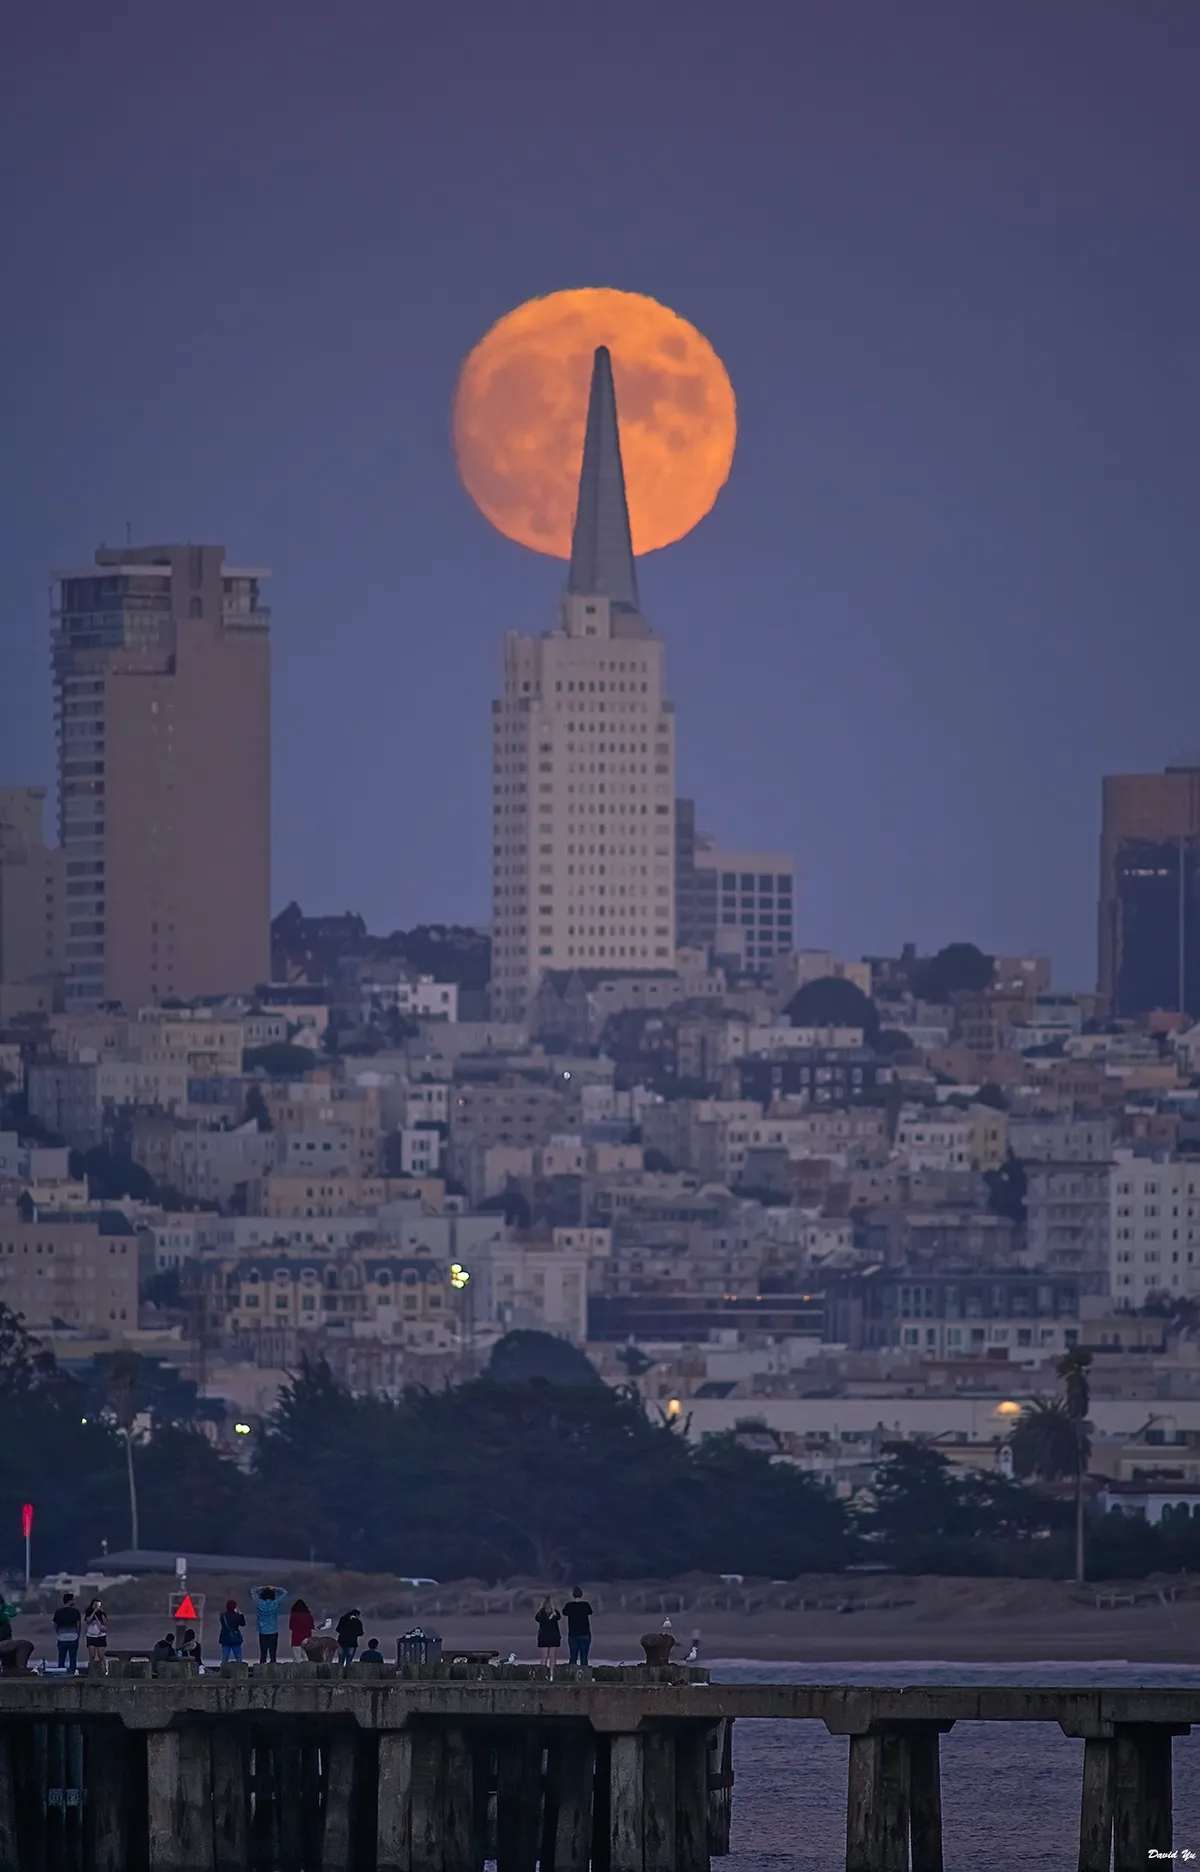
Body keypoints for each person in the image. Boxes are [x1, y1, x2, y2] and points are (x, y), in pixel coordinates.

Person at [250, 1584, 288, 1664]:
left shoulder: (259, 1603)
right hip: (273, 1630)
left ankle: (261, 1671)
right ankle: (273, 1671)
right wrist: (275, 1588)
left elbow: (253, 1590)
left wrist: (262, 1587)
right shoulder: (275, 1603)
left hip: (262, 1631)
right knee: (273, 1654)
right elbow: (285, 1592)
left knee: (263, 1653)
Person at [563, 1586, 594, 1668]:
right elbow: (590, 1612)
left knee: (573, 1656)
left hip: (573, 1634)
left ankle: (571, 1676)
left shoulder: (569, 1606)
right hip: (585, 1633)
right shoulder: (586, 1605)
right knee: (584, 1657)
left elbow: (564, 1612)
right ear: (581, 1595)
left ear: (573, 1595)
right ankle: (585, 1675)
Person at [53, 1592, 82, 1674]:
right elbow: (78, 1625)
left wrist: (59, 1633)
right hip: (73, 1637)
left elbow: (55, 1625)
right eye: (73, 1600)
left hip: (61, 1638)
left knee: (61, 1658)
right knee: (73, 1658)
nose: (74, 1601)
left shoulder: (58, 1612)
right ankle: (72, 1674)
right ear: (69, 1601)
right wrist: (78, 1635)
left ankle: (60, 1674)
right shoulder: (76, 1612)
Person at [535, 1596, 561, 1673]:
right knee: (553, 1657)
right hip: (554, 1636)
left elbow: (537, 1619)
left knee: (544, 1656)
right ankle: (552, 1674)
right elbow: (559, 1617)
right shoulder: (555, 1613)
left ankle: (542, 1674)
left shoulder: (540, 1613)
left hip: (543, 1637)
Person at [219, 1599, 246, 1664]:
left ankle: (223, 1671)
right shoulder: (237, 1616)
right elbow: (243, 1624)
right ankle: (240, 1671)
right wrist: (240, 1614)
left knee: (225, 1657)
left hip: (225, 1638)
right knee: (238, 1657)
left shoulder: (223, 1615)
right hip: (235, 1638)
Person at [288, 1597, 315, 1662]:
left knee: (297, 1659)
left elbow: (291, 1627)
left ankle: (297, 1671)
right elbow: (312, 1626)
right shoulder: (308, 1615)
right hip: (307, 1639)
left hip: (296, 1639)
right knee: (306, 1658)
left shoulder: (293, 1615)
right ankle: (307, 1671)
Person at [83, 1598, 107, 1667]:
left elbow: (105, 1622)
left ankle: (104, 1670)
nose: (96, 1606)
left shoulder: (101, 1612)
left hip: (100, 1636)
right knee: (92, 1656)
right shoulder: (89, 1612)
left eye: (97, 1604)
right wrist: (94, 1611)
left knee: (101, 1655)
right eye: (95, 1604)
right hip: (91, 1636)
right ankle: (90, 1670)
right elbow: (88, 1620)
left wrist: (101, 1612)